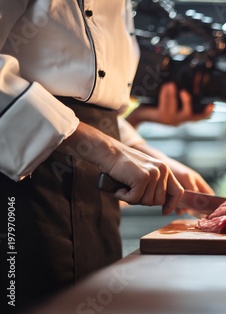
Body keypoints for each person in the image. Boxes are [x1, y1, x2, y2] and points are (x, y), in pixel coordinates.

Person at [0, 1, 213, 312]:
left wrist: (141, 152)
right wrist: (109, 152)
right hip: (22, 184)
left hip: (94, 196)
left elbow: (93, 107)